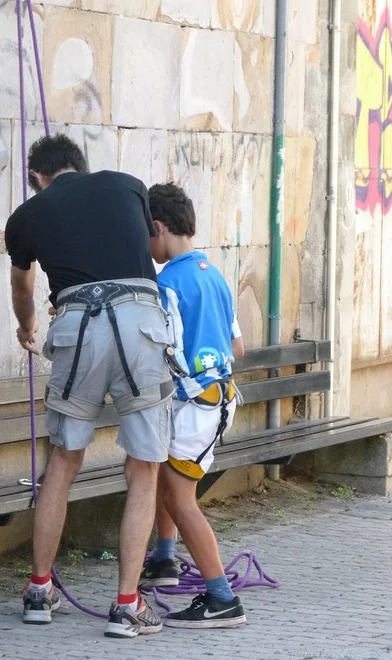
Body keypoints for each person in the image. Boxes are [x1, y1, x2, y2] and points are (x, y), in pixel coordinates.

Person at [5, 134, 173, 638]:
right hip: (139, 321)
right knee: (143, 467)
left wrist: (27, 327)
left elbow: (22, 288)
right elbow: (142, 251)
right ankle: (127, 605)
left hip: (76, 324)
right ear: (80, 164)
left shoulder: (26, 215)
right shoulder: (129, 185)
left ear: (37, 177)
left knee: (63, 460)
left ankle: (39, 591)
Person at [139, 183, 247, 629]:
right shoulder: (213, 274)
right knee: (168, 480)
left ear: (158, 228)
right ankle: (164, 560)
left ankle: (222, 598)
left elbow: (165, 352)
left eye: (145, 236)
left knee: (181, 500)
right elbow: (237, 347)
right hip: (219, 396)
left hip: (195, 406)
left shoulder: (167, 284)